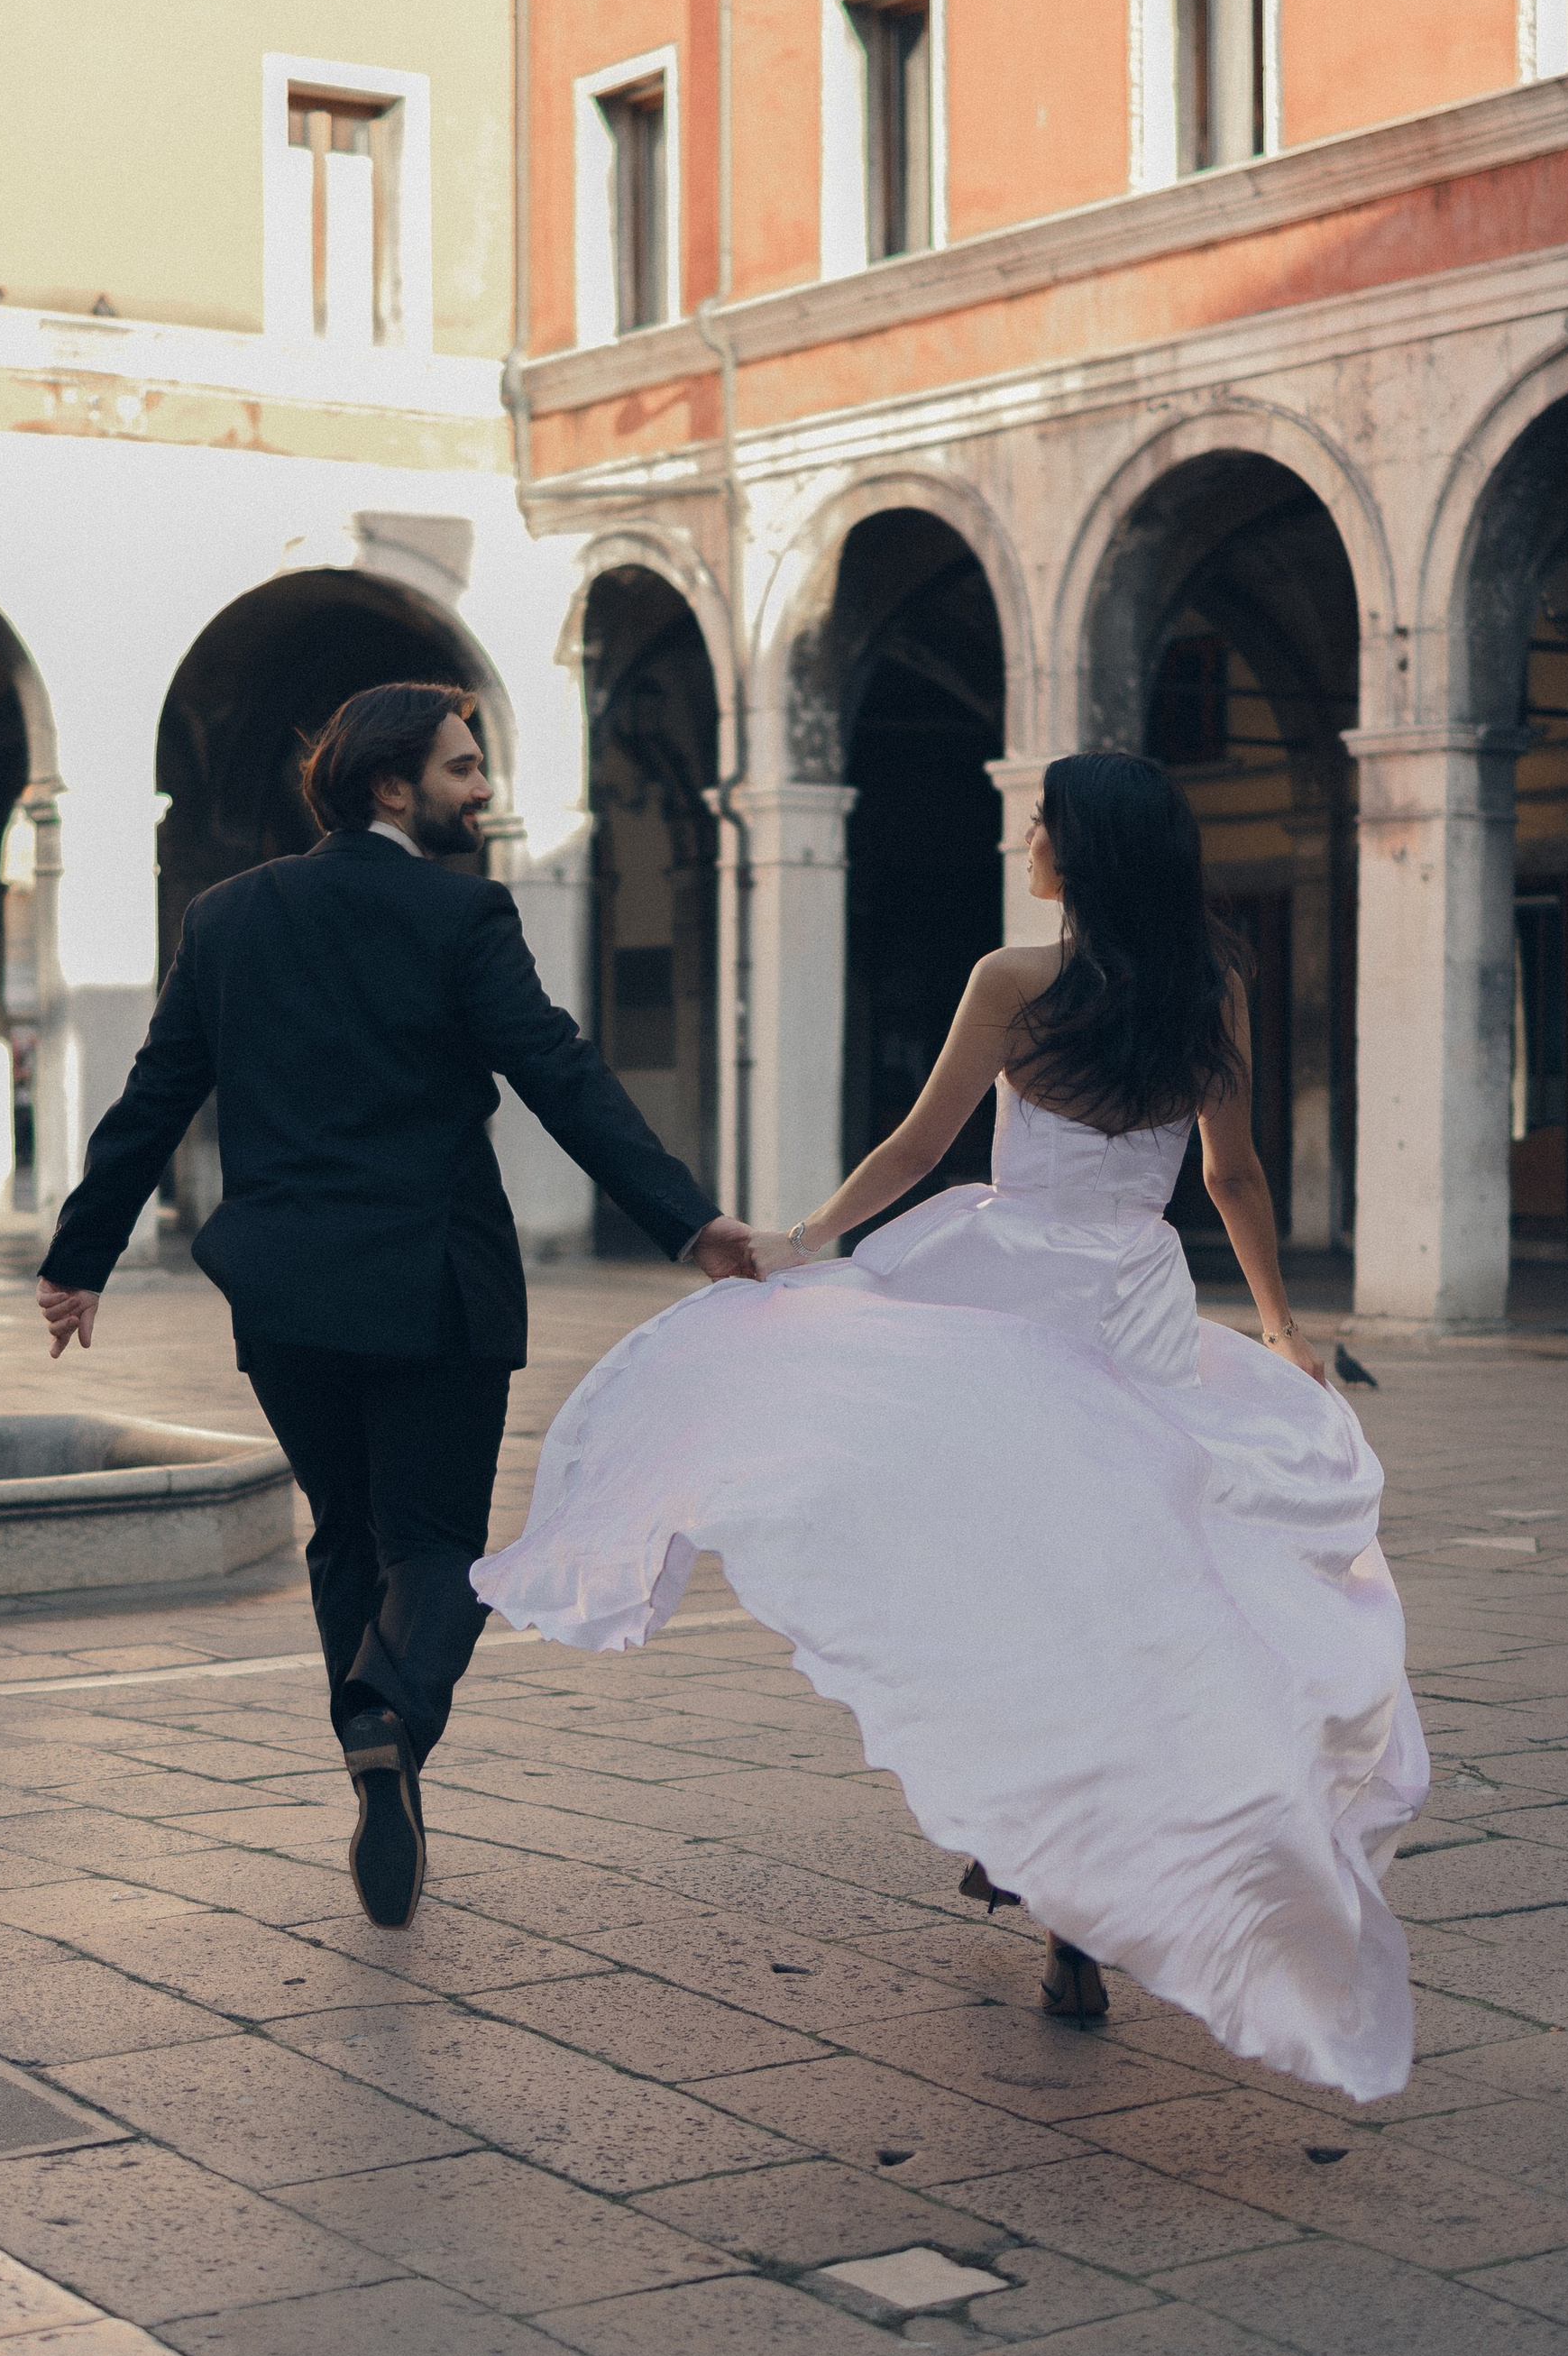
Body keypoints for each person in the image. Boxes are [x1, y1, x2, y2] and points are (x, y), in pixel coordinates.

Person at [474, 751, 1427, 2102]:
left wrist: (802, 1242)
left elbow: (921, 1150)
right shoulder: (1209, 985)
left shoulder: (1012, 981)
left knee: (993, 1565)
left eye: (1042, 826)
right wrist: (1280, 1332)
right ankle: (1064, 1877)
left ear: (1078, 855)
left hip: (1007, 1289)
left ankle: (1026, 1827)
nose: (1028, 840)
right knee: (1128, 1585)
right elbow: (1232, 1173)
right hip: (1135, 1299)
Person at [36, 682, 756, 1929]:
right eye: (464, 768)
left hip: (284, 1290)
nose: (483, 790)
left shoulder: (225, 918)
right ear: (391, 785)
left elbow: (155, 1096)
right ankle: (386, 1716)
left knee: (345, 1536)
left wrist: (80, 1256)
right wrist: (688, 1221)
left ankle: (383, 1762)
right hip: (432, 1284)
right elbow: (560, 1074)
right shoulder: (461, 911)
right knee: (432, 1546)